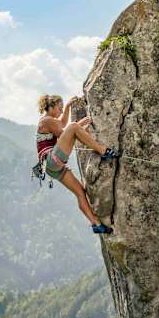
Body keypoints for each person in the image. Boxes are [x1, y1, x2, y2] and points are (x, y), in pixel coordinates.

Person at [35, 94, 113, 234]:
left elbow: (63, 124)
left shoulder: (49, 121)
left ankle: (96, 224)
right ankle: (103, 151)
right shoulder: (46, 120)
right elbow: (64, 130)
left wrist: (68, 108)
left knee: (80, 192)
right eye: (58, 108)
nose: (60, 112)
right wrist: (80, 123)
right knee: (73, 127)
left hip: (52, 168)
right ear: (51, 107)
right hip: (52, 160)